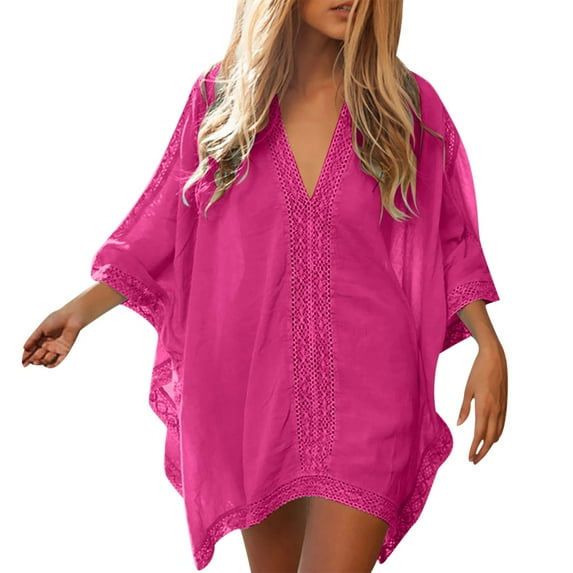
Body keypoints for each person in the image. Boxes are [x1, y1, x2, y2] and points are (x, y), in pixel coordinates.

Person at [21, 0, 508, 571]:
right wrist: (81, 311)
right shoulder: (222, 100)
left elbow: (451, 237)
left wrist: (488, 344)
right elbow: (166, 224)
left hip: (375, 382)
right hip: (255, 386)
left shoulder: (405, 106)